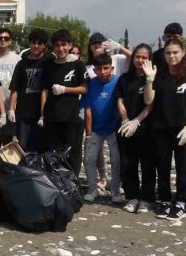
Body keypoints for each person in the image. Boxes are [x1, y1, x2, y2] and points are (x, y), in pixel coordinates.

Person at [143, 38, 186, 221]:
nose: (172, 56)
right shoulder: (158, 75)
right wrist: (150, 80)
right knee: (163, 166)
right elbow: (148, 101)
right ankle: (165, 200)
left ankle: (181, 202)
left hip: (182, 128)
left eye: (175, 52)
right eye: (168, 53)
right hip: (161, 128)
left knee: (183, 167)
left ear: (182, 53)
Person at [114, 44, 156, 214]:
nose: (140, 60)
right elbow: (119, 100)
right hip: (125, 127)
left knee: (147, 165)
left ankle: (146, 198)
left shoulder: (152, 78)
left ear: (149, 59)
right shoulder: (124, 78)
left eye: (144, 57)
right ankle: (132, 196)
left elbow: (150, 103)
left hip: (146, 128)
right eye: (137, 57)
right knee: (127, 163)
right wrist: (125, 120)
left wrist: (136, 121)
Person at [40, 29, 89, 173]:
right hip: (52, 116)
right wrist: (42, 114)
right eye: (57, 45)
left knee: (72, 153)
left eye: (64, 45)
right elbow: (45, 90)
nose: (60, 48)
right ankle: (56, 184)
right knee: (53, 153)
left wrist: (65, 89)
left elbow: (84, 89)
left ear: (69, 46)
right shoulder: (48, 65)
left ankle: (73, 184)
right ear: (53, 47)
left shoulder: (77, 65)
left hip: (71, 116)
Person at [80, 53, 123, 203]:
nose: (103, 72)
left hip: (114, 129)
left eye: (106, 68)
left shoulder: (119, 82)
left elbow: (122, 106)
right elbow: (88, 110)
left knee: (116, 160)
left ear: (111, 67)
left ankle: (116, 191)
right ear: (95, 69)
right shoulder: (90, 84)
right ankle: (92, 189)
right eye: (99, 69)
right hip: (96, 129)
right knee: (89, 159)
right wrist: (89, 133)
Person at [9, 29, 52, 152]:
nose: (36, 46)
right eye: (33, 43)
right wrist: (11, 109)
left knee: (42, 146)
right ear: (29, 43)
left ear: (44, 46)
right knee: (23, 146)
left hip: (44, 113)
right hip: (24, 112)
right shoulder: (21, 64)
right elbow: (14, 88)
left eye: (40, 43)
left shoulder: (49, 62)